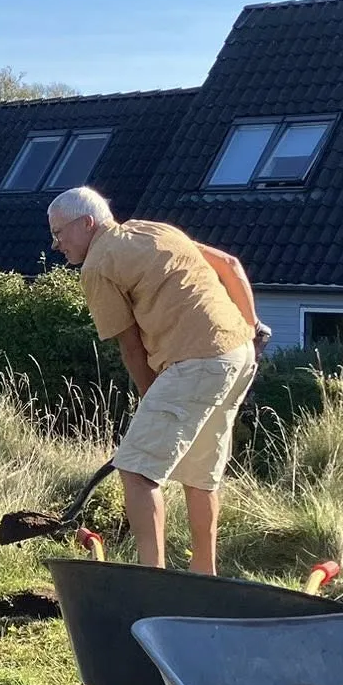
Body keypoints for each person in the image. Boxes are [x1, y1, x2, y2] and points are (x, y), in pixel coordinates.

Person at [45, 187, 266, 574]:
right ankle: (204, 575)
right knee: (200, 474)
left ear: (87, 223)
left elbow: (131, 347)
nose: (56, 245)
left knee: (136, 470)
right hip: (238, 353)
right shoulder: (156, 230)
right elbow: (230, 265)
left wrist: (150, 397)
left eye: (59, 233)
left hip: (197, 362)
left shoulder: (98, 265)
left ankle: (152, 578)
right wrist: (252, 329)